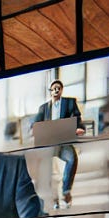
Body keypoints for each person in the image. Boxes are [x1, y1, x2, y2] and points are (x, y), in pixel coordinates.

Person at [33, 79, 85, 209]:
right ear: (50, 91)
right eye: (54, 88)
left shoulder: (69, 103)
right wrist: (34, 131)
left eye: (59, 88)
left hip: (63, 141)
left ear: (61, 90)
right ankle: (53, 198)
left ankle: (66, 190)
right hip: (49, 143)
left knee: (72, 159)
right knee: (45, 167)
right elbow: (35, 124)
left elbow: (77, 118)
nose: (56, 90)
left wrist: (79, 128)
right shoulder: (43, 108)